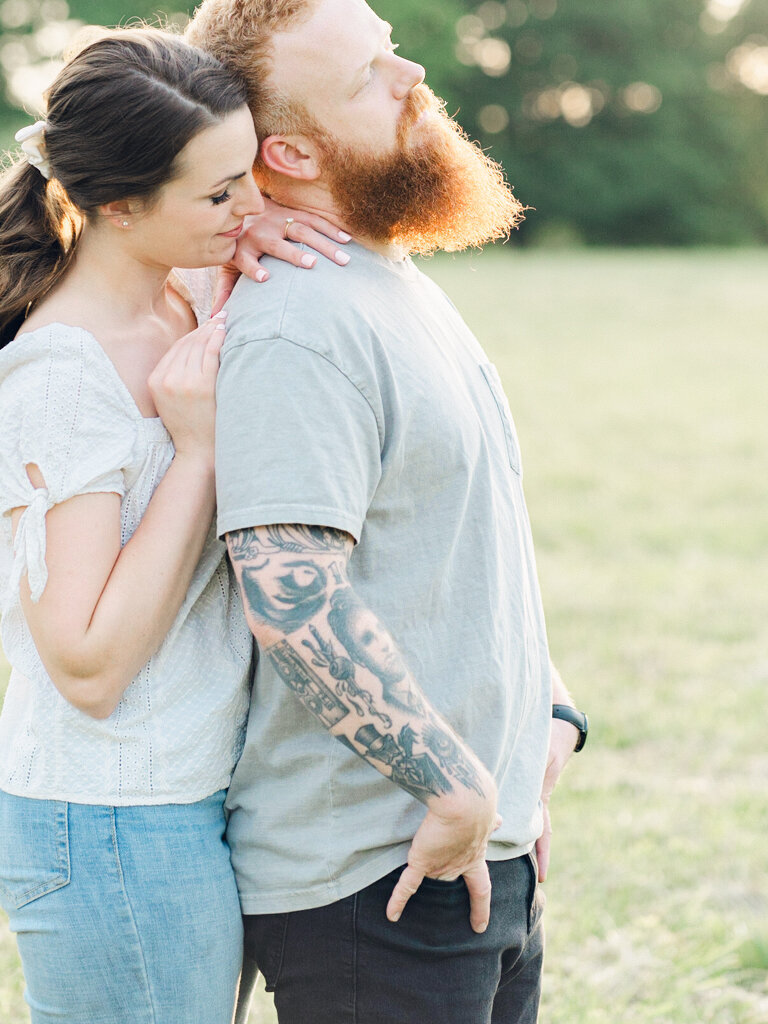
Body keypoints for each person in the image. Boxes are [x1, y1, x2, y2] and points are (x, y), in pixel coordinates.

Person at [187, 0, 590, 1021]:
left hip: (471, 852)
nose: (412, 73)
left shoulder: (382, 276)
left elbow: (455, 535)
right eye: (368, 73)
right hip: (376, 880)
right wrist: (456, 786)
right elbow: (292, 592)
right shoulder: (301, 322)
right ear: (289, 151)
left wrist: (543, 717)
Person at [0, 25, 350, 1024]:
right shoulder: (64, 375)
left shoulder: (179, 298)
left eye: (249, 174)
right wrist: (195, 454)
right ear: (119, 207)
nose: (252, 206)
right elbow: (87, 664)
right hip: (112, 819)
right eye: (219, 193)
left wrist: (234, 260)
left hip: (179, 803)